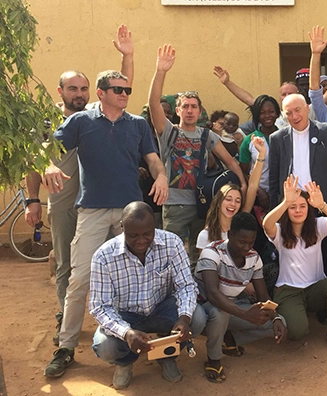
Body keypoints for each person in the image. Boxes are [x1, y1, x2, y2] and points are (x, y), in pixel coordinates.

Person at [42, 69, 169, 378]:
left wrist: (161, 174)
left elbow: (151, 158)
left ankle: (153, 344)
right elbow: (49, 147)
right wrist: (47, 164)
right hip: (92, 210)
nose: (125, 94)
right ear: (101, 93)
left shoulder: (137, 124)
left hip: (131, 213)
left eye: (127, 89)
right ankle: (67, 346)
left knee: (145, 275)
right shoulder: (81, 121)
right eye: (118, 89)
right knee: (79, 279)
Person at [24, 25, 134, 347]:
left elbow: (123, 87)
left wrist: (126, 55)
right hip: (60, 201)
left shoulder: (94, 115)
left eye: (84, 88)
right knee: (65, 262)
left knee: (114, 261)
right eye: (73, 88)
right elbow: (35, 158)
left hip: (96, 200)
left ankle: (116, 318)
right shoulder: (46, 122)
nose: (80, 94)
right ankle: (66, 315)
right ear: (60, 91)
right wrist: (33, 200)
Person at [89, 202, 206, 389]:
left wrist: (184, 318)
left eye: (147, 234)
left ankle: (166, 355)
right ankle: (125, 362)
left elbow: (186, 286)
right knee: (105, 346)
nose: (141, 240)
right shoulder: (104, 256)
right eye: (133, 235)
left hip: (162, 308)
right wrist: (126, 333)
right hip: (126, 316)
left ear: (155, 227)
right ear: (122, 228)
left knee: (197, 318)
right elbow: (100, 307)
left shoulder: (172, 243)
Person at [148, 44, 247, 265]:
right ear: (178, 110)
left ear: (200, 111)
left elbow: (230, 161)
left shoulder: (207, 135)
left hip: (202, 203)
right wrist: (161, 71)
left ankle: (198, 295)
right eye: (185, 106)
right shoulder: (168, 131)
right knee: (169, 255)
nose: (190, 110)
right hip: (173, 204)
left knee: (199, 254)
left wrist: (242, 183)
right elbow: (153, 103)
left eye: (194, 106)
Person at [269, 93, 327, 277]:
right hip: (293, 206)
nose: (294, 116)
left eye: (298, 110)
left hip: (323, 203)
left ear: (307, 108)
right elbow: (274, 179)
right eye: (289, 113)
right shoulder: (277, 138)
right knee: (295, 254)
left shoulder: (325, 130)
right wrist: (277, 210)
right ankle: (303, 293)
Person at [195, 212, 287, 383]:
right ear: (230, 235)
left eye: (250, 242)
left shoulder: (254, 258)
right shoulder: (212, 252)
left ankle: (228, 338)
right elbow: (213, 294)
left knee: (277, 322)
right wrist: (245, 315)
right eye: (242, 242)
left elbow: (262, 295)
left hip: (232, 309)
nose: (246, 247)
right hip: (204, 310)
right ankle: (214, 359)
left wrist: (276, 318)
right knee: (220, 312)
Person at [262, 175, 327, 354]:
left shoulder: (318, 226)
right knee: (297, 332)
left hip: (315, 288)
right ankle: (284, 315)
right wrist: (286, 202)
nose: (298, 210)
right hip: (288, 291)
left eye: (302, 206)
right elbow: (267, 223)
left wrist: (322, 205)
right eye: (293, 207)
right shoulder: (279, 232)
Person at [198, 137, 268, 249]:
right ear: (219, 202)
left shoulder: (240, 223)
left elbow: (253, 186)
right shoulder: (205, 235)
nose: (233, 204)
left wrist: (261, 154)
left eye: (238, 201)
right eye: (228, 199)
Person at [239, 95, 281, 210]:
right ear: (257, 116)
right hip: (259, 198)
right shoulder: (249, 140)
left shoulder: (285, 137)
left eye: (271, 111)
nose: (267, 116)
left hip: (282, 195)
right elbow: (243, 172)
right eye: (262, 113)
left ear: (277, 113)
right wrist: (258, 190)